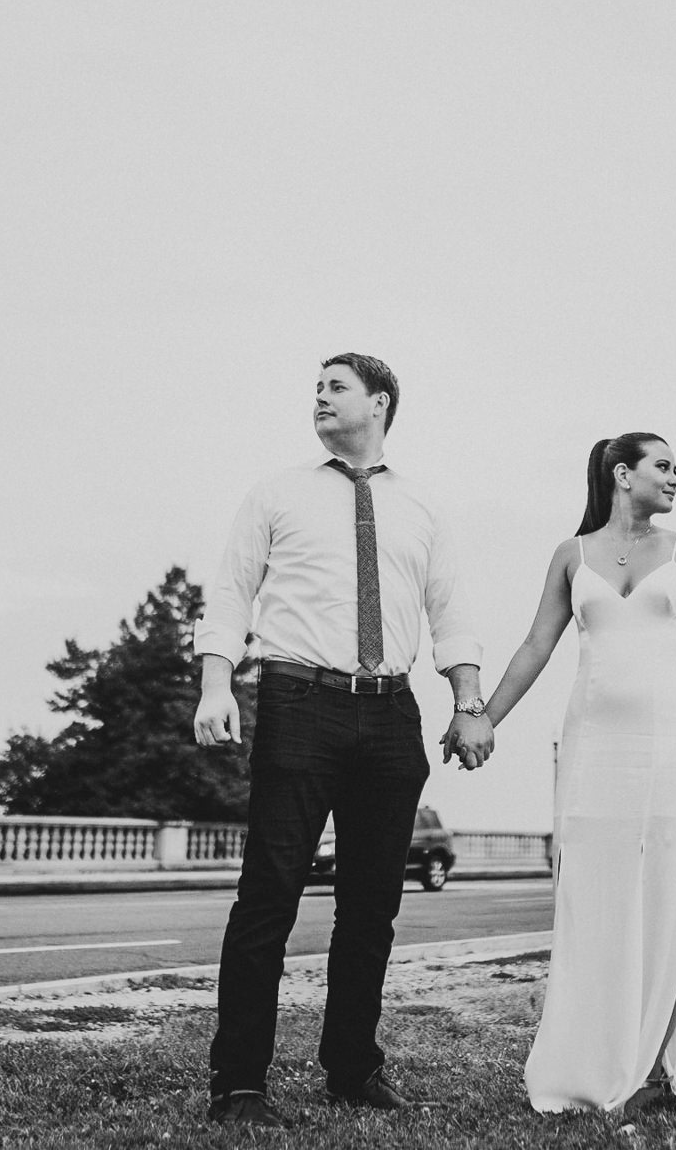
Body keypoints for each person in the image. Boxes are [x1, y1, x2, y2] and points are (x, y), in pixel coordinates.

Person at [191, 353, 490, 1129]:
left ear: (380, 402)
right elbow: (230, 589)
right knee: (269, 897)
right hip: (298, 702)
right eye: (316, 388)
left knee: (372, 909)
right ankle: (241, 1083)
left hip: (392, 714)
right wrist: (217, 682)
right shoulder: (277, 492)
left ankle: (353, 1068)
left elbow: (451, 611)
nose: (318, 398)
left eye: (335, 387)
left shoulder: (423, 507)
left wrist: (468, 701)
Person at [469, 432, 676, 1126]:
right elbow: (535, 644)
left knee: (673, 893)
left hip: (674, 745)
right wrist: (483, 716)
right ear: (623, 473)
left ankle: (661, 1064)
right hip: (594, 748)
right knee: (595, 895)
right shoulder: (569, 554)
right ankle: (596, 1058)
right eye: (664, 466)